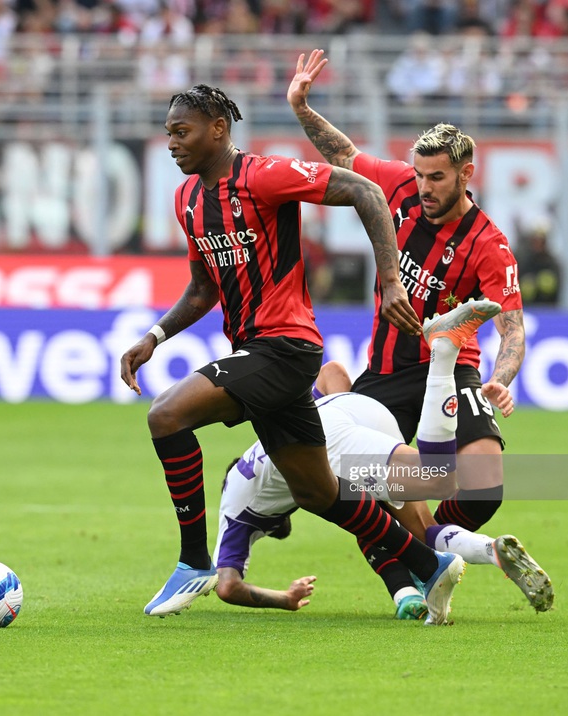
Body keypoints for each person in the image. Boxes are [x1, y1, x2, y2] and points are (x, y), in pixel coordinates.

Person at [119, 83, 464, 626]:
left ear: (218, 129)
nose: (171, 143)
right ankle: (429, 561)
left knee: (166, 416)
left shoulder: (264, 175)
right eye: (167, 133)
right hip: (256, 352)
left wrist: (392, 280)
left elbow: (368, 193)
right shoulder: (187, 199)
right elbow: (203, 288)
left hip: (285, 348)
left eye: (181, 132)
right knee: (318, 491)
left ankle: (192, 562)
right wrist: (155, 337)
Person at [288, 50, 526, 536]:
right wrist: (302, 109)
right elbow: (343, 155)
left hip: (454, 368)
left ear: (466, 174)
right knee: (356, 480)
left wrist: (501, 378)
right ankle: (423, 550)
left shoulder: (489, 244)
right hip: (389, 372)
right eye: (419, 175)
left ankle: (435, 540)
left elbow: (513, 328)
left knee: (484, 486)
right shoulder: (397, 185)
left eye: (436, 178)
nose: (423, 187)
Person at [213, 301, 553, 617]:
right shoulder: (263, 458)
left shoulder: (236, 517)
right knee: (417, 525)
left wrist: (284, 600)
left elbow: (227, 587)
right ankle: (490, 550)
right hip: (363, 411)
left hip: (335, 441)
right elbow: (331, 372)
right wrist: (343, 405)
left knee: (437, 479)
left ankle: (444, 351)